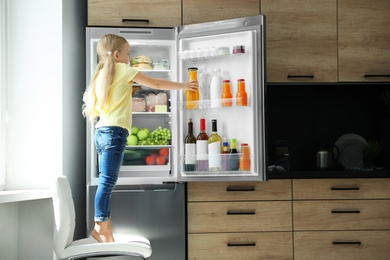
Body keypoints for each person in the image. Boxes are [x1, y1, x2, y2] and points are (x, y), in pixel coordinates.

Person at [82, 34, 198, 243]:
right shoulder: (124, 69)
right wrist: (184, 86)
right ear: (117, 54)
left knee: (105, 181)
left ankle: (105, 228)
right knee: (107, 182)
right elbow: (155, 82)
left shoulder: (100, 74)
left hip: (102, 132)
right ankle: (100, 228)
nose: (129, 57)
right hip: (114, 133)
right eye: (127, 53)